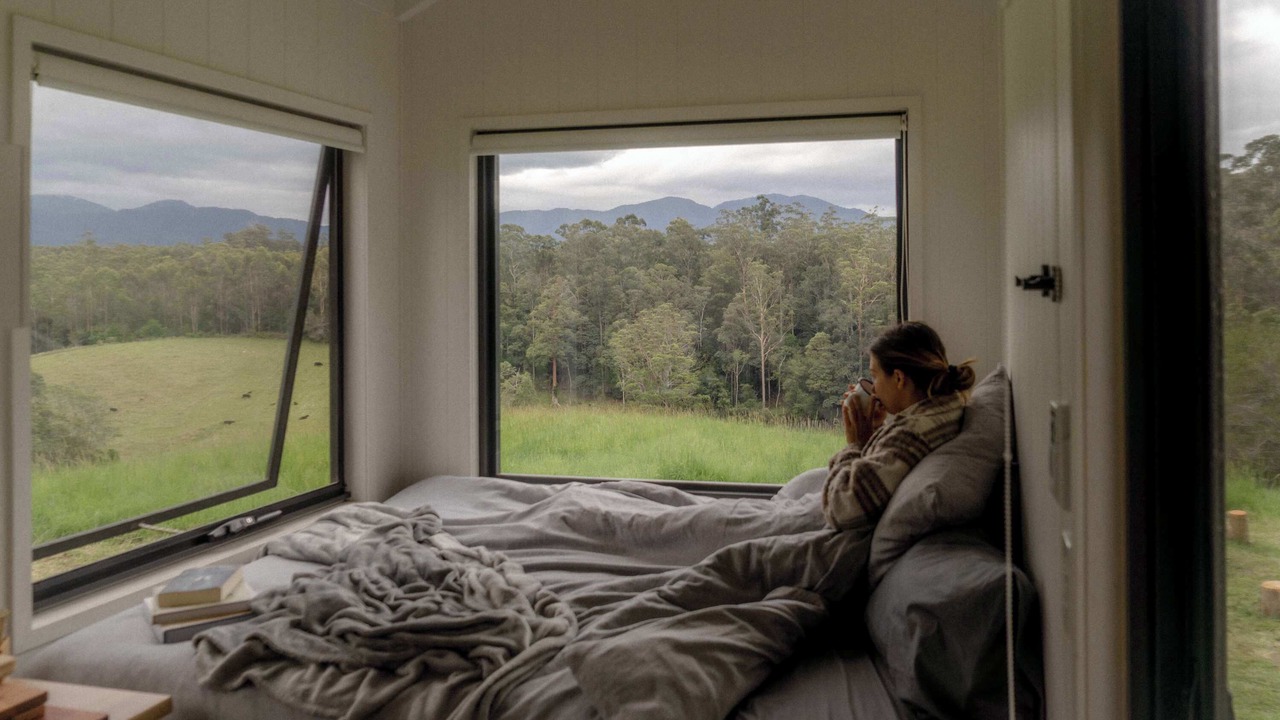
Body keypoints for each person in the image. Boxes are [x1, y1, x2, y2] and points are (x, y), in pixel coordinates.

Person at [823, 321, 976, 530]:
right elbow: (888, 462)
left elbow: (841, 510)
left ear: (898, 378)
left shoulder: (911, 434)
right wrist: (874, 432)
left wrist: (855, 444)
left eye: (875, 376)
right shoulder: (945, 408)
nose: (873, 389)